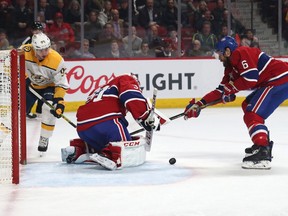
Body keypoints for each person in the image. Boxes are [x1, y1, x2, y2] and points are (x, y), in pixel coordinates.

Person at [184, 36, 288, 170]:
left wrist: (231, 89)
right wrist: (199, 104)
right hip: (273, 82)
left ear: (227, 51)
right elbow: (220, 91)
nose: (219, 58)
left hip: (281, 79)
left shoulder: (242, 53)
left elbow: (250, 79)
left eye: (220, 54)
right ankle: (262, 143)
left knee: (252, 114)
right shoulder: (230, 68)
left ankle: (263, 150)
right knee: (247, 105)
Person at [61, 73, 160, 170]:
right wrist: (145, 117)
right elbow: (131, 96)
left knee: (105, 143)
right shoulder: (126, 79)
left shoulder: (102, 89)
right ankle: (108, 155)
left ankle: (80, 149)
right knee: (124, 146)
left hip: (83, 127)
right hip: (106, 121)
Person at [22, 32, 69, 153]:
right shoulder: (24, 51)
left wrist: (59, 101)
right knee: (18, 112)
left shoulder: (57, 60)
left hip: (49, 87)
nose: (45, 52)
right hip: (31, 86)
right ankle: (9, 137)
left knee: (49, 109)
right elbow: (10, 64)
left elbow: (61, 84)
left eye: (47, 48)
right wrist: (23, 78)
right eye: (41, 50)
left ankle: (44, 137)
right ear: (34, 48)